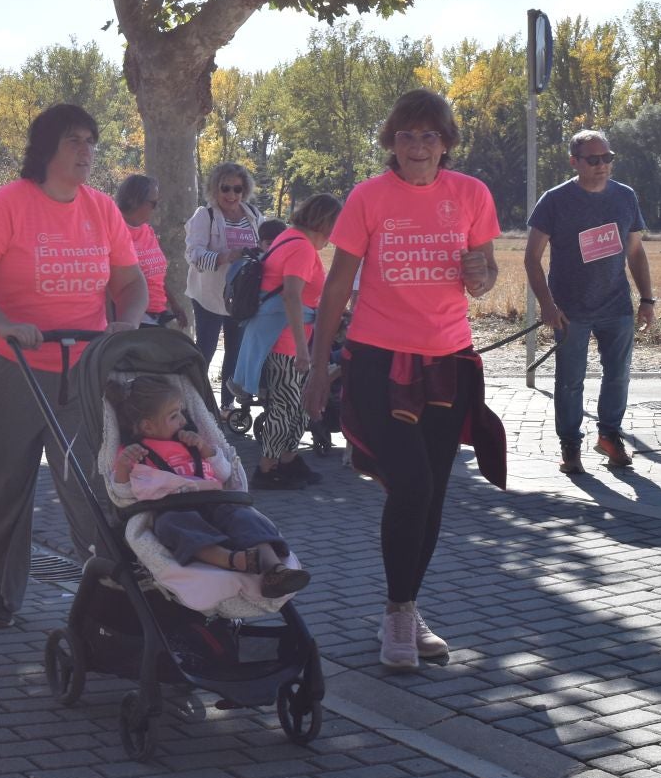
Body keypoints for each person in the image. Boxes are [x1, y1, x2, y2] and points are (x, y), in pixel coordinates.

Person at [303, 88, 503, 672]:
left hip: (449, 361)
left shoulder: (471, 194)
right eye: (408, 135)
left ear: (446, 143)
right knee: (410, 486)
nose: (418, 146)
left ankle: (406, 609)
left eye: (430, 135)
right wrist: (317, 366)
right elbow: (337, 285)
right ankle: (396, 615)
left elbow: (485, 274)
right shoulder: (368, 197)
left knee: (433, 492)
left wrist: (482, 276)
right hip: (378, 361)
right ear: (392, 141)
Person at [0, 104, 147, 629]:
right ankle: (0, 586)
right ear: (45, 149)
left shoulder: (101, 209)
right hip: (4, 365)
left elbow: (130, 283)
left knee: (91, 482)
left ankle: (108, 590)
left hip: (79, 368)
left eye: (90, 140)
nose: (86, 151)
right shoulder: (10, 204)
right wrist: (2, 324)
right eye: (73, 140)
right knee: (3, 484)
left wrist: (127, 323)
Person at [526, 128, 655, 474]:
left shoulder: (625, 196)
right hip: (570, 311)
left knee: (618, 376)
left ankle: (609, 436)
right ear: (574, 162)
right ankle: (570, 446)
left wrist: (647, 299)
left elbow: (635, 251)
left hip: (617, 306)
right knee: (570, 381)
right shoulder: (554, 200)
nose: (602, 165)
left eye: (607, 158)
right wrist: (548, 305)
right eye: (593, 159)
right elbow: (531, 258)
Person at [108, 376, 309, 596]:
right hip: (173, 508)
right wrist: (124, 466)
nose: (182, 421)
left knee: (246, 518)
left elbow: (224, 474)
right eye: (174, 416)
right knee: (172, 526)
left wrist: (205, 448)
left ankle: (275, 569)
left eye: (182, 413)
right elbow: (123, 494)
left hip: (215, 502)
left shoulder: (191, 442)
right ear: (148, 426)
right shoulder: (135, 452)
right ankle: (232, 560)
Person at [247, 194, 340, 486]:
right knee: (285, 406)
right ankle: (267, 469)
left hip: (279, 337)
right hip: (286, 342)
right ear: (325, 223)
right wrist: (302, 349)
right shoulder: (302, 248)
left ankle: (288, 460)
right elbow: (291, 295)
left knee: (297, 404)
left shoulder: (287, 238)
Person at [183, 164, 263, 410]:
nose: (231, 194)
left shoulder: (254, 215)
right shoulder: (204, 216)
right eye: (225, 188)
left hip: (241, 297)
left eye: (237, 189)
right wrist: (224, 257)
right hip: (209, 296)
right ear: (214, 189)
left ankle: (227, 406)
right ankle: (195, 404)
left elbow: (265, 246)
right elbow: (193, 254)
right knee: (205, 351)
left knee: (234, 351)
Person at [114, 175, 185, 327]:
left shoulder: (148, 230)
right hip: (132, 318)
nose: (156, 208)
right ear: (134, 200)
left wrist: (174, 304)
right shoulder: (114, 230)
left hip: (158, 313)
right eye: (153, 203)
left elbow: (155, 274)